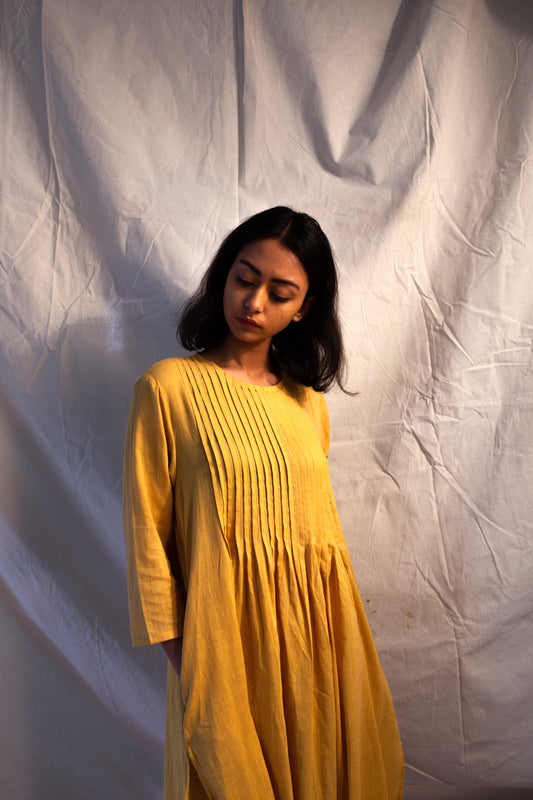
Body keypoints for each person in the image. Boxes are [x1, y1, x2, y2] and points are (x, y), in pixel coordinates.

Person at [123, 206, 404, 799]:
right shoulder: (166, 388)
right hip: (222, 642)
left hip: (318, 643)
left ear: (303, 307)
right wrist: (190, 662)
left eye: (279, 293)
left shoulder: (307, 403)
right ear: (224, 275)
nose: (253, 303)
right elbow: (148, 537)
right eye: (245, 279)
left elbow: (317, 537)